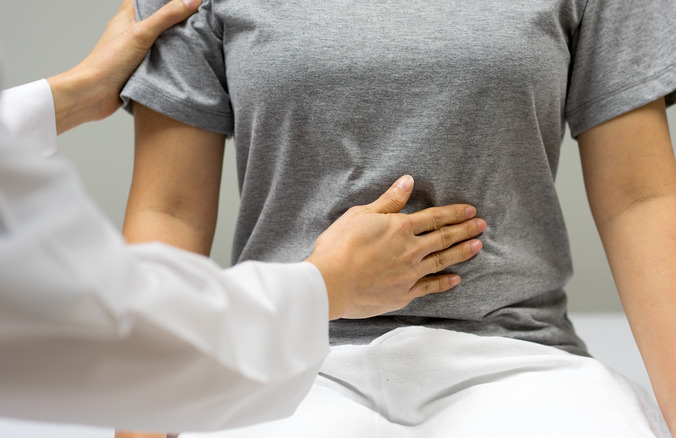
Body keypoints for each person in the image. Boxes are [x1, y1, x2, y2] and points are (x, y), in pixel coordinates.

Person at [119, 0, 676, 436]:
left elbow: (639, 200)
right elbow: (167, 211)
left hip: (516, 356)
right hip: (284, 357)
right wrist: (141, 425)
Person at [0, 0, 487, 432]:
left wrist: (73, 93)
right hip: (301, 367)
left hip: (508, 352)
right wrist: (329, 285)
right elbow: (158, 230)